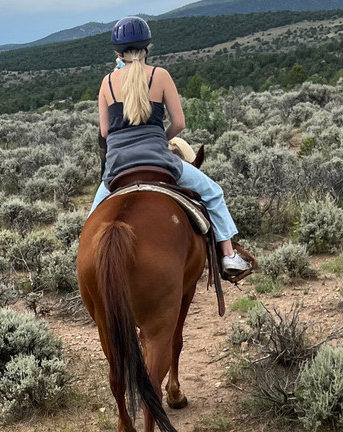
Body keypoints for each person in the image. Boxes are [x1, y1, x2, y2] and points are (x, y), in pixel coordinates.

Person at [89, 15, 252, 281]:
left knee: (93, 220)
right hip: (159, 160)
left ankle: (86, 269)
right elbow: (179, 123)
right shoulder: (160, 75)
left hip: (117, 166)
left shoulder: (107, 83)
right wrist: (160, 138)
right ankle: (228, 255)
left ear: (117, 51)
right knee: (213, 193)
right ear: (148, 46)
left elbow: (105, 133)